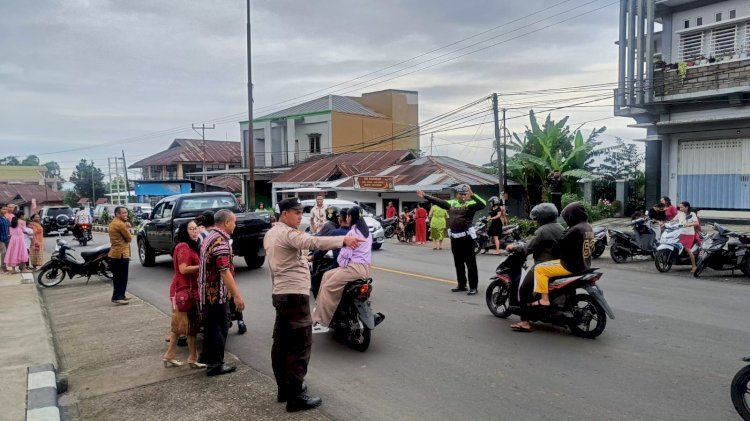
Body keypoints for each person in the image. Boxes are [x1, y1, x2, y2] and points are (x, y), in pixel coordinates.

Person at [264, 198, 363, 412]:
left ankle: (284, 389)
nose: (300, 216)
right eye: (296, 212)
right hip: (294, 295)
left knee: (280, 343)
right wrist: (343, 240)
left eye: (302, 212)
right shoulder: (288, 233)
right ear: (284, 214)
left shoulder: (272, 233)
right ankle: (296, 396)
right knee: (300, 344)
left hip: (280, 293)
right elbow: (313, 242)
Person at [198, 209, 245, 377]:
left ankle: (206, 358)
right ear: (226, 223)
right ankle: (215, 365)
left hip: (208, 292)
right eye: (234, 222)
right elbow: (224, 271)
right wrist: (237, 295)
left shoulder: (209, 236)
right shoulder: (219, 241)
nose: (235, 225)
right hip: (215, 294)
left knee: (211, 327)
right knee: (219, 328)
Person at [312, 206, 373, 332]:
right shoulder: (367, 232)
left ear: (350, 217)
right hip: (365, 269)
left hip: (353, 268)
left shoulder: (352, 233)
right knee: (327, 275)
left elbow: (344, 256)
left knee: (329, 287)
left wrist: (342, 262)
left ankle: (321, 320)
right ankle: (320, 308)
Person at [417, 184, 486, 295]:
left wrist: (472, 195)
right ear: (457, 194)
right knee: (458, 262)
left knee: (470, 263)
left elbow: (483, 204)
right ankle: (462, 285)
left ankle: (473, 287)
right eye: (461, 194)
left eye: (465, 194)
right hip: (455, 238)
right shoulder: (451, 203)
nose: (463, 196)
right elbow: (439, 201)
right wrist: (426, 196)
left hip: (467, 238)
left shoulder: (471, 203)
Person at [506, 203, 564, 332]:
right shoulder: (560, 227)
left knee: (524, 289)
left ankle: (524, 322)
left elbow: (528, 248)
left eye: (537, 218)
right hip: (559, 264)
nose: (536, 220)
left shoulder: (542, 230)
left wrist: (513, 247)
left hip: (543, 264)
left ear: (542, 217)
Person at [530, 202, 594, 308]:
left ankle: (544, 299)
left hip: (570, 265)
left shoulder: (575, 229)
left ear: (572, 216)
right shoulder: (587, 226)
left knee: (539, 269)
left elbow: (560, 247)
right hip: (585, 264)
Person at [162, 221, 206, 369]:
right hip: (182, 291)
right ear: (184, 231)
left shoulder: (190, 246)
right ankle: (189, 357)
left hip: (188, 291)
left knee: (185, 326)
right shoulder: (183, 246)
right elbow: (183, 269)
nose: (195, 232)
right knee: (184, 325)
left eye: (196, 229)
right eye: (191, 229)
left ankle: (176, 356)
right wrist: (203, 266)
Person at [108, 206, 132, 305]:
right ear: (118, 214)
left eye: (126, 213)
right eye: (124, 213)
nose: (126, 215)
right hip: (121, 254)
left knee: (118, 277)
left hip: (116, 253)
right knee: (121, 277)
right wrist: (127, 227)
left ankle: (120, 295)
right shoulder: (120, 225)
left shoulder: (114, 223)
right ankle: (117, 296)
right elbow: (129, 238)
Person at [677, 201, 700, 272]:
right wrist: (666, 223)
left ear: (686, 207)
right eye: (680, 207)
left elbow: (696, 223)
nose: (680, 208)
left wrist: (689, 224)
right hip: (680, 233)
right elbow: (673, 220)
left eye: (681, 207)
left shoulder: (692, 214)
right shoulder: (680, 214)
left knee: (687, 249)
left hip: (689, 234)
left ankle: (694, 266)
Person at [0, 207, 9, 272]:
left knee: (5, 253)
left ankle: (4, 266)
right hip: (0, 238)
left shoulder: (6, 219)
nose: (5, 210)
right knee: (4, 252)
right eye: (3, 209)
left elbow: (10, 227)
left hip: (7, 238)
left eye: (6, 209)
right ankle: (3, 267)